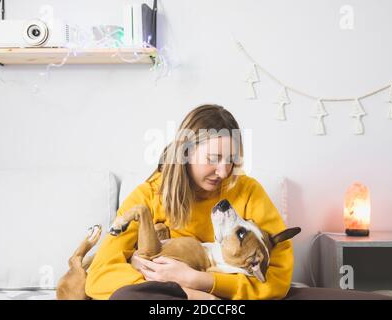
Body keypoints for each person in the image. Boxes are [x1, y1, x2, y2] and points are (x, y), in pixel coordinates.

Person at [85, 104, 294, 300]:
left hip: (222, 297)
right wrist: (183, 290)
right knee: (126, 297)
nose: (223, 172)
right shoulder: (150, 195)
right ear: (185, 153)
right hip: (165, 298)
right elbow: (99, 277)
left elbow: (277, 280)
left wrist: (200, 281)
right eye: (213, 158)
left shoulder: (248, 191)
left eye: (230, 159)